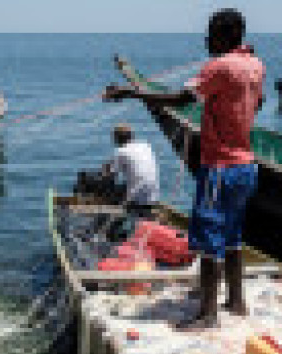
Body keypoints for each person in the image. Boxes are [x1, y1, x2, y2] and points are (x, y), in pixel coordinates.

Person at [105, 8, 265, 327]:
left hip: (220, 167)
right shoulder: (256, 65)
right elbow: (257, 103)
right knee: (233, 238)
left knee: (209, 240)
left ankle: (207, 314)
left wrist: (130, 92)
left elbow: (180, 98)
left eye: (210, 34)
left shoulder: (219, 66)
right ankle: (236, 301)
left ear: (224, 36)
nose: (206, 39)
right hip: (247, 168)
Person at [102, 123, 159, 214]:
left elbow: (110, 176)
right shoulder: (145, 146)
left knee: (109, 191)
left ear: (117, 139)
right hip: (153, 196)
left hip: (137, 200)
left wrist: (105, 169)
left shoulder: (121, 151)